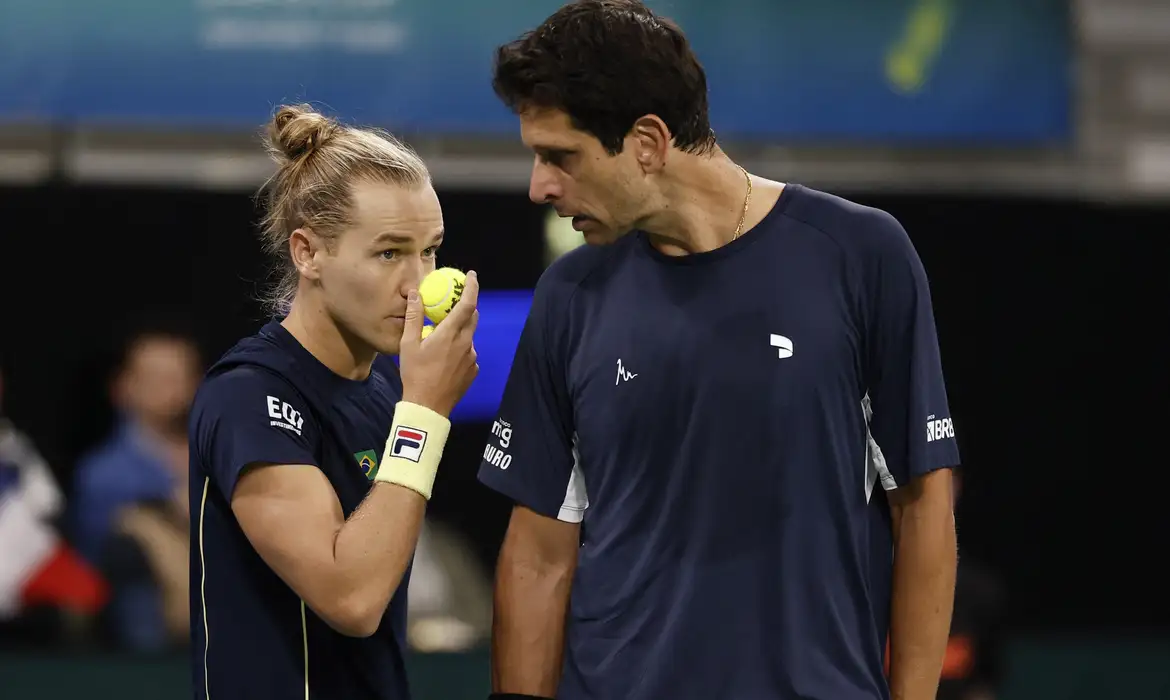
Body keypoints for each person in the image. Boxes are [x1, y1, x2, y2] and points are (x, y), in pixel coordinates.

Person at [477, 2, 960, 700]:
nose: (540, 186)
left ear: (647, 141)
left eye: (561, 156)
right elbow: (537, 558)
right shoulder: (568, 294)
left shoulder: (861, 255)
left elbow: (922, 504)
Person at [187, 104, 479, 700]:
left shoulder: (389, 386)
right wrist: (424, 416)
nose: (419, 283)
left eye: (430, 251)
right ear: (307, 253)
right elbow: (352, 597)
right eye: (389, 252)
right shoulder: (249, 394)